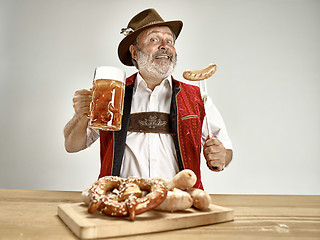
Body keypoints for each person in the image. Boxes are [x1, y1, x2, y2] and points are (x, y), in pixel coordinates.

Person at [64, 8, 233, 189]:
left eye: (169, 40)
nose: (165, 46)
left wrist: (221, 156)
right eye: (154, 39)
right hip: (122, 202)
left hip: (182, 203)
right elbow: (72, 145)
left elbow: (226, 151)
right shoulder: (112, 93)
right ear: (134, 53)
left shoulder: (197, 97)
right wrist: (81, 116)